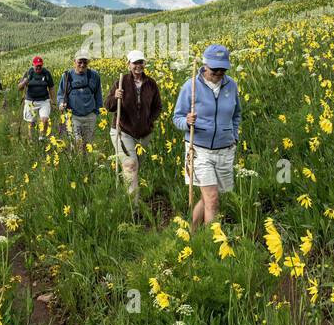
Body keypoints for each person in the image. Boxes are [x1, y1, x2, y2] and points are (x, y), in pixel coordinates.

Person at [172, 44, 241, 229]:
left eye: (223, 69)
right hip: (199, 150)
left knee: (210, 196)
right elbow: (176, 118)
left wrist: (234, 135)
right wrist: (187, 122)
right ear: (205, 66)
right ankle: (212, 245)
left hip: (225, 149)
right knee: (212, 199)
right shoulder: (191, 86)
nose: (219, 73)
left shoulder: (231, 85)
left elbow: (236, 114)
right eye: (214, 69)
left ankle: (191, 234)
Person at [105, 49, 161, 196]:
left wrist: (149, 121)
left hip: (144, 134)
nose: (138, 65)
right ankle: (133, 209)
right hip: (123, 130)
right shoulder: (121, 82)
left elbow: (157, 107)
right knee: (131, 165)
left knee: (135, 167)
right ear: (128, 64)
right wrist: (115, 97)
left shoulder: (151, 84)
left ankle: (127, 197)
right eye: (135, 62)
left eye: (140, 62)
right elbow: (108, 106)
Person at [58, 52, 101, 148]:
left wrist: (97, 112)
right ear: (74, 62)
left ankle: (86, 163)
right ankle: (77, 161)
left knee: (88, 144)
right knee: (77, 142)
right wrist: (61, 103)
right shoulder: (66, 76)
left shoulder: (94, 75)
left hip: (90, 115)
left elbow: (98, 94)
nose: (82, 65)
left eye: (85, 62)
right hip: (73, 116)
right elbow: (61, 94)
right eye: (79, 62)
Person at [17, 55, 54, 137]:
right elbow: (19, 88)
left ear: (42, 65)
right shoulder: (28, 73)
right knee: (31, 123)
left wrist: (53, 100)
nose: (38, 68)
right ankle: (31, 141)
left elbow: (51, 87)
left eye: (40, 66)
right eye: (37, 66)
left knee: (44, 120)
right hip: (31, 101)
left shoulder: (46, 73)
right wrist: (24, 82)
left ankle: (42, 137)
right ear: (33, 65)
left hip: (44, 100)